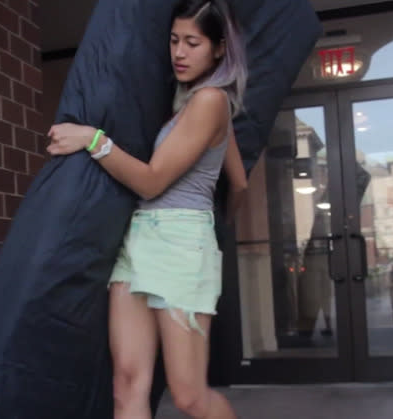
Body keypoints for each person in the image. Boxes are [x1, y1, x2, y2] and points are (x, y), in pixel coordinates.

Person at [45, 1, 248, 418]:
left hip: (178, 244)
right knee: (127, 385)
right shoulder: (190, 104)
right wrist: (221, 221)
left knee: (189, 395)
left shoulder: (210, 100)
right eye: (174, 40)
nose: (179, 52)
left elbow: (152, 180)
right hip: (139, 240)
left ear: (219, 49)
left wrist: (93, 140)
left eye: (193, 42)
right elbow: (240, 182)